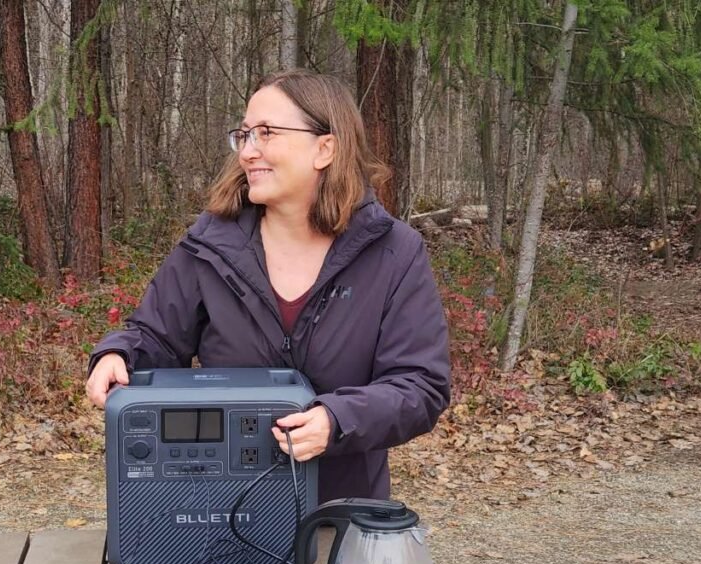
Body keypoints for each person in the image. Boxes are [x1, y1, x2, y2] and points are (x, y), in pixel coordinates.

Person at [86, 70, 450, 503]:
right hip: (225, 508)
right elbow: (156, 337)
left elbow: (420, 385)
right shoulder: (210, 246)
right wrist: (119, 353)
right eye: (244, 135)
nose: (247, 151)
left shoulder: (393, 252)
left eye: (266, 133)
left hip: (342, 510)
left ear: (325, 148)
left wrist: (337, 420)